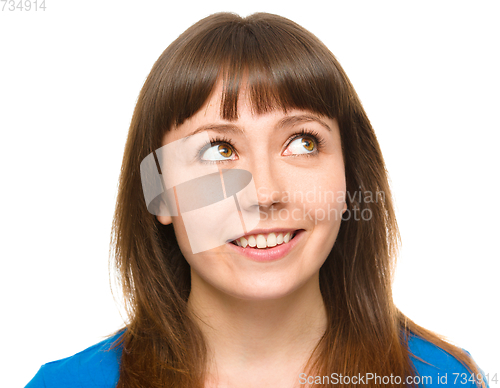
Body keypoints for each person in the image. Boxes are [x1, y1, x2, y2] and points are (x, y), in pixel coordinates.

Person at [25, 12, 489, 388]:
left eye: (303, 142)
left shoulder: (446, 380)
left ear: (350, 178)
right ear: (160, 193)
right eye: (217, 150)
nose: (265, 194)